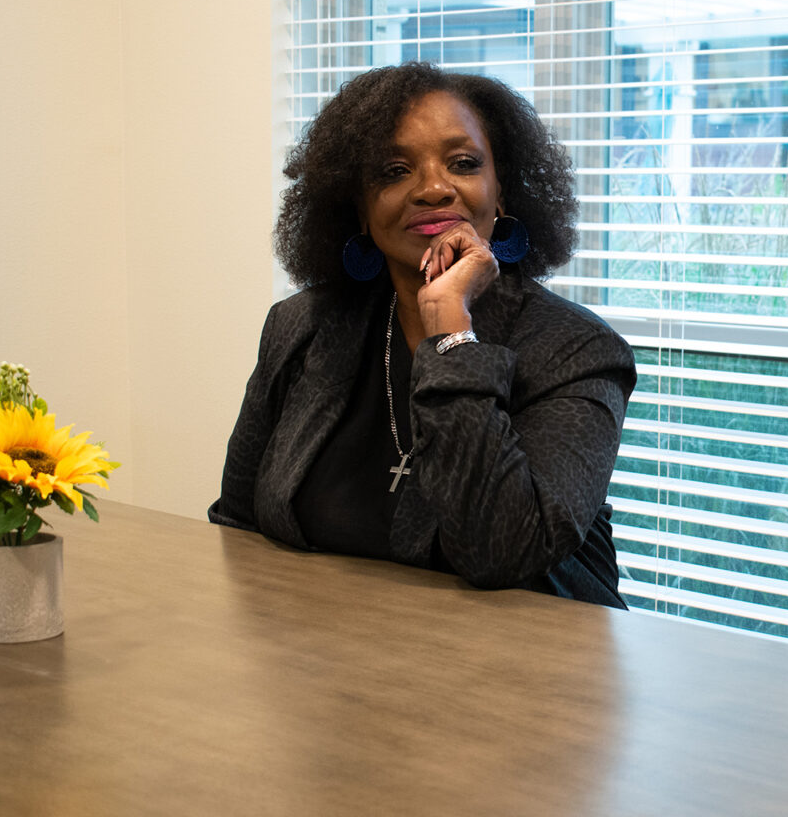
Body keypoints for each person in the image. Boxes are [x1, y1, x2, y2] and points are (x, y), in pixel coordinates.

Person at [210, 62, 635, 608]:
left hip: (524, 675)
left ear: (501, 192)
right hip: (328, 666)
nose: (433, 188)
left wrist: (451, 329)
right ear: (358, 208)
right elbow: (235, 528)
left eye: (463, 163)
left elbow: (501, 554)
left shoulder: (575, 349)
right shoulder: (300, 329)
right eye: (392, 170)